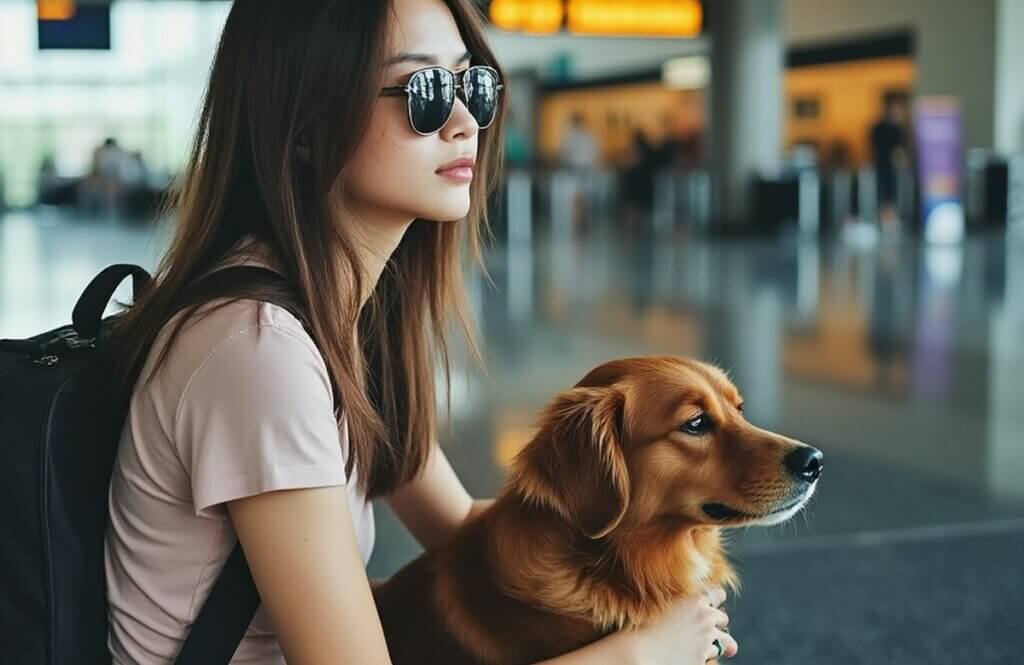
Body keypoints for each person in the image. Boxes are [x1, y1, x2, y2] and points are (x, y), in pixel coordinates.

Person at [105, 1, 739, 664]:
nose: (466, 122)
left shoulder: (340, 321)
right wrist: (640, 654)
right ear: (303, 126)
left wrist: (657, 542)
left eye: (474, 85)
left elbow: (463, 529)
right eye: (425, 92)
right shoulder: (258, 350)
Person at [869, 96, 907, 232]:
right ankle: (886, 220)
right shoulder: (884, 128)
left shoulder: (896, 128)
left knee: (890, 192)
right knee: (886, 192)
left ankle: (889, 220)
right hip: (883, 165)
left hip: (889, 166)